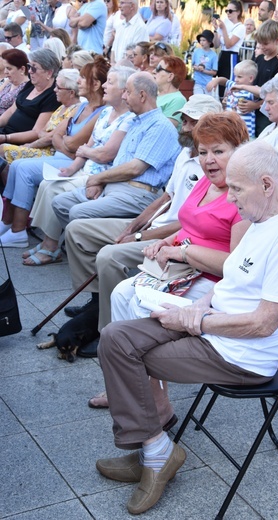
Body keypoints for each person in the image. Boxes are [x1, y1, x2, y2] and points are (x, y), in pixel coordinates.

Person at [95, 139, 278, 515]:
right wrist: (197, 306)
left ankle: (154, 455)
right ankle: (154, 446)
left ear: (267, 185)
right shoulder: (263, 218)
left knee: (131, 355)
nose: (230, 198)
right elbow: (235, 283)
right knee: (114, 337)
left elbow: (264, 323)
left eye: (236, 188)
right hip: (216, 326)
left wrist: (198, 320)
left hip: (243, 353)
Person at [64, 95, 223, 350]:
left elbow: (188, 223)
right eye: (184, 118)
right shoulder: (185, 152)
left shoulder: (210, 164)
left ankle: (106, 329)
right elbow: (167, 195)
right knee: (77, 230)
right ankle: (97, 302)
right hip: (157, 227)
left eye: (191, 121)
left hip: (174, 236)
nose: (183, 125)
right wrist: (134, 226)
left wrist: (141, 237)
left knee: (109, 256)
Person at [21, 66, 135, 265]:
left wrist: (86, 153)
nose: (105, 86)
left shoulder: (129, 119)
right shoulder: (106, 112)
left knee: (53, 190)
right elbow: (88, 147)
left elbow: (106, 154)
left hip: (100, 177)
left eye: (110, 82)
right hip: (86, 168)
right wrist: (72, 168)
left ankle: (51, 246)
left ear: (124, 90)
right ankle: (50, 240)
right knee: (49, 183)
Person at [0, 56, 109, 247]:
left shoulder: (101, 110)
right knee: (16, 166)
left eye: (82, 79)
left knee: (22, 168)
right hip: (62, 156)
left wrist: (64, 142)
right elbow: (58, 134)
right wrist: (64, 143)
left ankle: (18, 231)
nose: (78, 82)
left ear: (96, 84)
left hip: (71, 163)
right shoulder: (82, 106)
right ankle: (7, 222)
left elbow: (72, 143)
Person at [51, 72, 181, 229]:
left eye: (127, 91)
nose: (124, 96)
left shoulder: (160, 126)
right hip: (117, 186)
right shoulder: (135, 120)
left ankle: (86, 249)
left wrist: (98, 178)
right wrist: (101, 181)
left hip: (137, 194)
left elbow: (135, 168)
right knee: (60, 203)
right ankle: (77, 246)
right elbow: (120, 163)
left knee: (78, 213)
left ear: (142, 95)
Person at [0, 68, 79, 166]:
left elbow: (50, 137)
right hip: (39, 147)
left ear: (71, 93)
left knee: (2, 149)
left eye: (58, 88)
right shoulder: (62, 107)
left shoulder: (74, 110)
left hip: (50, 153)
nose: (54, 90)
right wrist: (46, 136)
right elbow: (42, 132)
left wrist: (30, 145)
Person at [0, 48, 60, 150]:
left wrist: (6, 138)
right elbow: (11, 111)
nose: (30, 71)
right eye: (29, 67)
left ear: (49, 73)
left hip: (18, 142)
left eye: (34, 68)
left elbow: (37, 132)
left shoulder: (52, 95)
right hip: (5, 133)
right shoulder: (30, 85)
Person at [236, 19, 278, 137]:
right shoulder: (260, 59)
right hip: (251, 114)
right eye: (260, 43)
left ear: (277, 41)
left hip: (266, 114)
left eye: (265, 44)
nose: (262, 47)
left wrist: (256, 105)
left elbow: (276, 94)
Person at [207, 59, 257, 139]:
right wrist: (216, 80)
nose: (236, 79)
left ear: (250, 78)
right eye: (235, 76)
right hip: (231, 129)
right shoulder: (234, 84)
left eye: (239, 77)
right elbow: (225, 81)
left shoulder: (250, 91)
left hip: (246, 133)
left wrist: (243, 87)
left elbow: (261, 93)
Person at [212, 1, 245, 98]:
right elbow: (216, 44)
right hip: (223, 55)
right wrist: (216, 30)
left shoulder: (240, 27)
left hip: (232, 56)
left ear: (238, 12)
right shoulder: (225, 24)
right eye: (226, 11)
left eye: (230, 11)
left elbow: (229, 44)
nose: (228, 13)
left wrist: (224, 29)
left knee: (229, 84)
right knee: (221, 87)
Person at [111, 0, 149, 65]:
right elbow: (113, 50)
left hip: (129, 71)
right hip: (116, 69)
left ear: (132, 6)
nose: (119, 6)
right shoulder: (120, 26)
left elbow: (138, 56)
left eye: (122, 3)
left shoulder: (140, 28)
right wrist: (113, 65)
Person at [154, 55, 186, 128]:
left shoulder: (177, 100)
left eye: (158, 68)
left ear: (170, 76)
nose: (154, 71)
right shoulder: (154, 95)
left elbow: (164, 129)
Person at [0, 49, 28, 116]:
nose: (5, 72)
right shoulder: (9, 81)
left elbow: (12, 112)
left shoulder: (27, 87)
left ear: (22, 69)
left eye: (9, 68)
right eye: (5, 68)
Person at [191, 29, 218, 96]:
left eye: (204, 40)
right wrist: (197, 68)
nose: (201, 42)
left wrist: (204, 71)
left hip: (208, 83)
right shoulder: (197, 51)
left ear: (209, 42)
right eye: (200, 40)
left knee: (206, 102)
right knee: (198, 98)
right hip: (198, 82)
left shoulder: (214, 55)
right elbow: (193, 65)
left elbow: (214, 72)